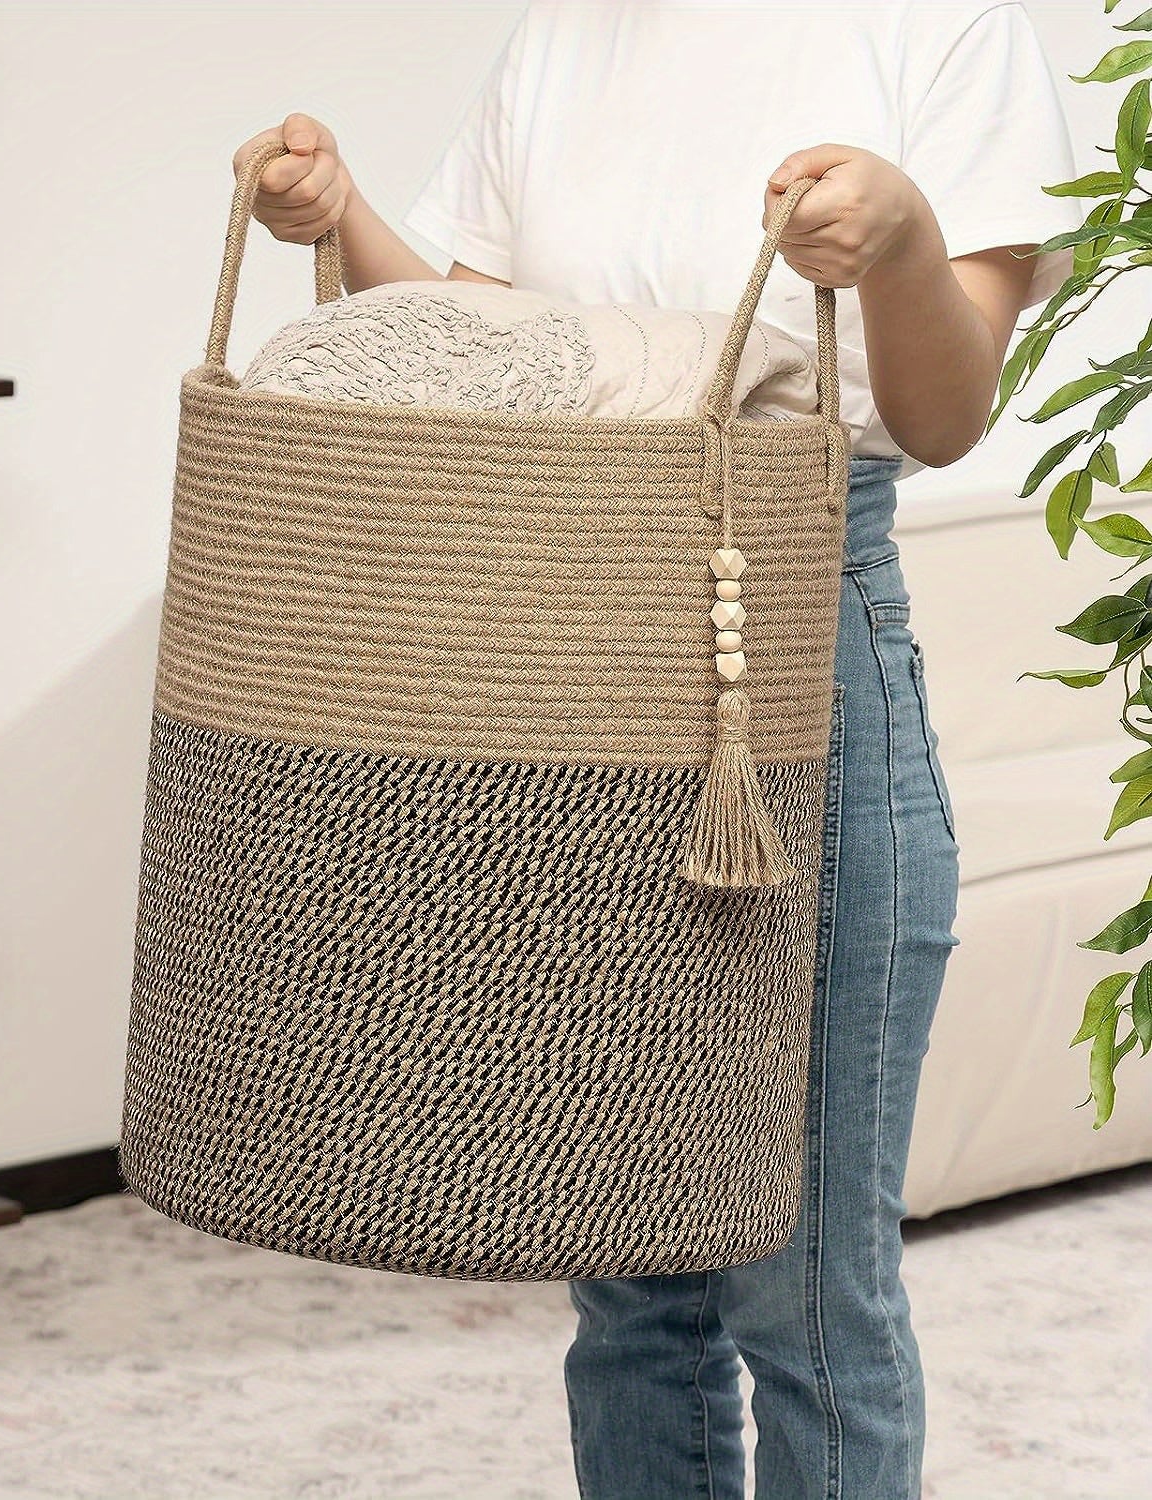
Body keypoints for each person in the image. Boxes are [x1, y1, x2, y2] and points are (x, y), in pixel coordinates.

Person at [232, 3, 1079, 1494]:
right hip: (577, 667)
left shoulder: (948, 28)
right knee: (624, 1283)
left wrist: (902, 242)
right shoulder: (567, 36)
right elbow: (485, 354)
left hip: (799, 632)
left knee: (805, 1290)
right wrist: (339, 208)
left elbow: (941, 418)